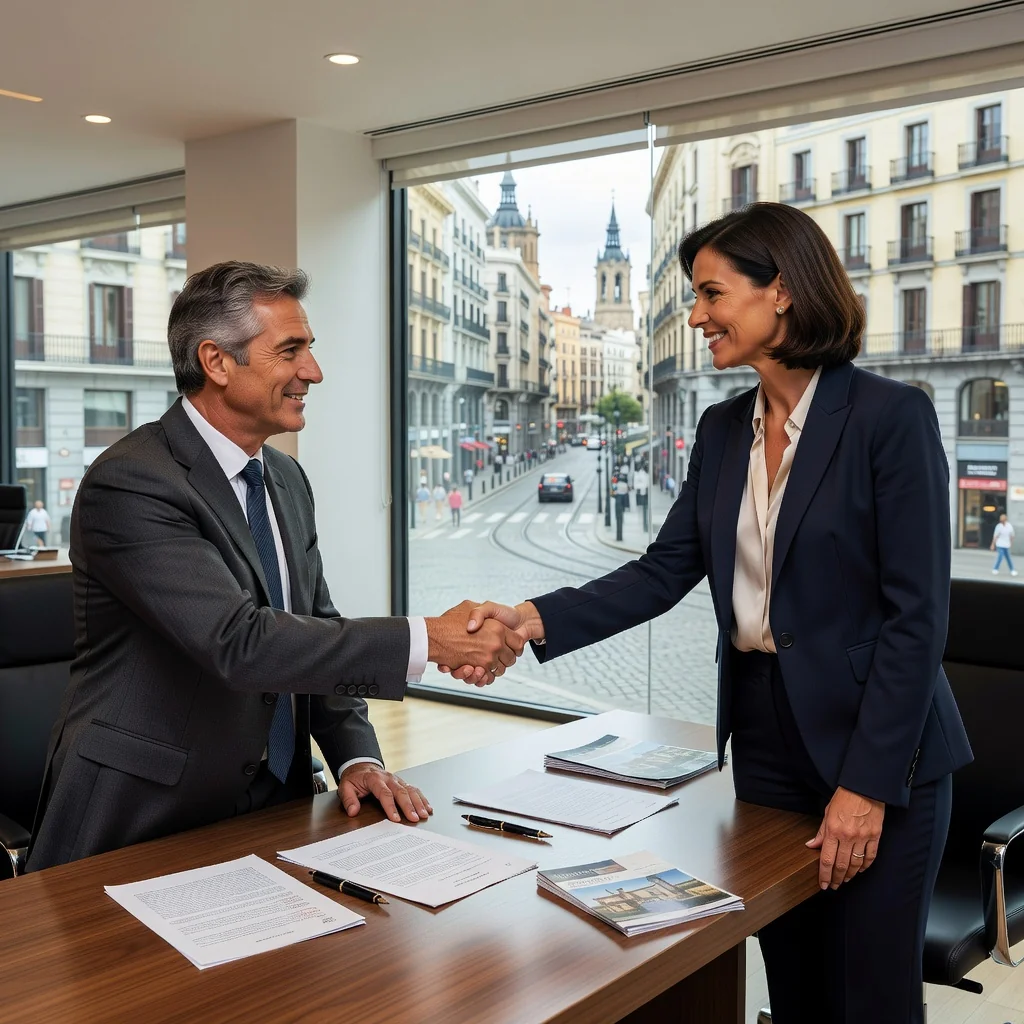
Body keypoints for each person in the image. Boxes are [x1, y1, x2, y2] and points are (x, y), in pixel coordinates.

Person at [453, 204, 972, 1024]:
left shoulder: (888, 417)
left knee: (869, 996)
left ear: (784, 294)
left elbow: (917, 619)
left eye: (712, 293)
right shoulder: (723, 426)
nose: (695, 316)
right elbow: (664, 572)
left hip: (880, 750)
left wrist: (866, 788)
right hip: (764, 742)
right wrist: (527, 618)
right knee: (795, 985)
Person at [27, 261, 523, 872]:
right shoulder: (131, 483)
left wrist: (355, 759)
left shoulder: (285, 478)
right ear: (216, 362)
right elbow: (241, 643)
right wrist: (431, 638)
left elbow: (313, 624)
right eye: (290, 351)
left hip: (275, 804)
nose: (312, 372)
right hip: (145, 818)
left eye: (309, 350)